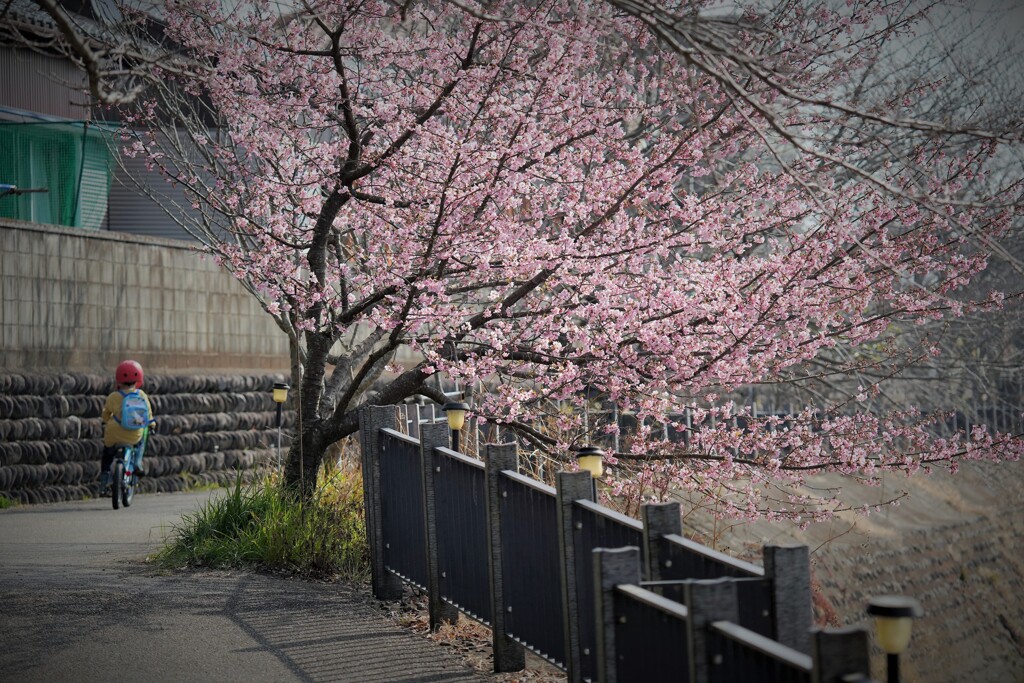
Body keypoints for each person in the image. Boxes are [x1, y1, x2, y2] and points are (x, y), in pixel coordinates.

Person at [98, 360, 155, 496]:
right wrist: (152, 425)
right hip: (134, 435)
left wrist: (106, 421)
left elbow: (106, 414)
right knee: (142, 440)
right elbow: (148, 414)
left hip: (114, 434)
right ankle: (137, 463)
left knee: (107, 454)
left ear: (118, 379)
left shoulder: (113, 396)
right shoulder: (141, 395)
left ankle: (105, 480)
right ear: (138, 378)